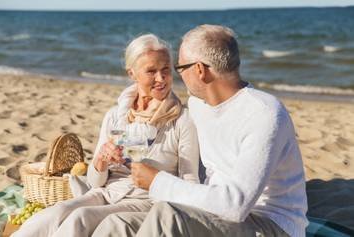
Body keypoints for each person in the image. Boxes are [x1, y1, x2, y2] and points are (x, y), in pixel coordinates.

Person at [93, 25, 308, 237]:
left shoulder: (264, 113)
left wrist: (157, 181)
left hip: (268, 223)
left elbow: (236, 205)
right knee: (117, 223)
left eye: (179, 68)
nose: (175, 76)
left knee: (167, 215)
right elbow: (154, 125)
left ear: (199, 70)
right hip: (213, 212)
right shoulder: (198, 106)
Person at [12, 34, 200, 237]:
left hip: (146, 200)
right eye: (151, 71)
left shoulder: (182, 120)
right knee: (54, 213)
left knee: (80, 218)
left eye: (165, 71)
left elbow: (189, 182)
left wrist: (155, 179)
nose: (161, 79)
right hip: (106, 192)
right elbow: (95, 182)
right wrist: (101, 160)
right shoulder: (116, 116)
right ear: (132, 74)